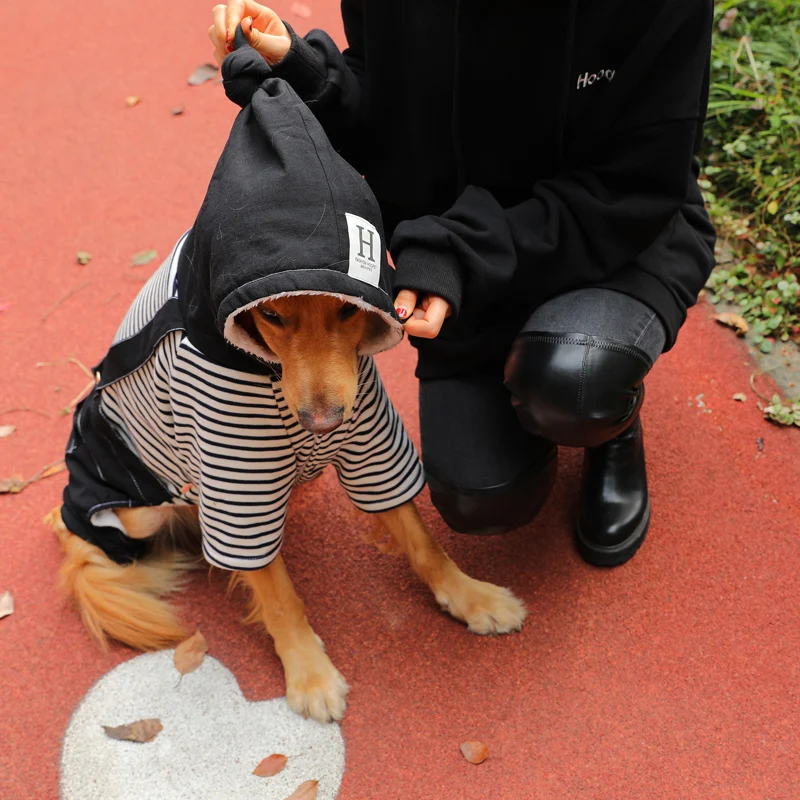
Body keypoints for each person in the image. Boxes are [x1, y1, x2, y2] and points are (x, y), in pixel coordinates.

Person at [208, 0, 717, 567]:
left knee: (574, 385)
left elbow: (635, 186)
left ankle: (609, 421)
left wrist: (457, 253)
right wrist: (303, 71)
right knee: (482, 500)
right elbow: (383, 99)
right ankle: (540, 378)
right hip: (458, 252)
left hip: (611, 237)